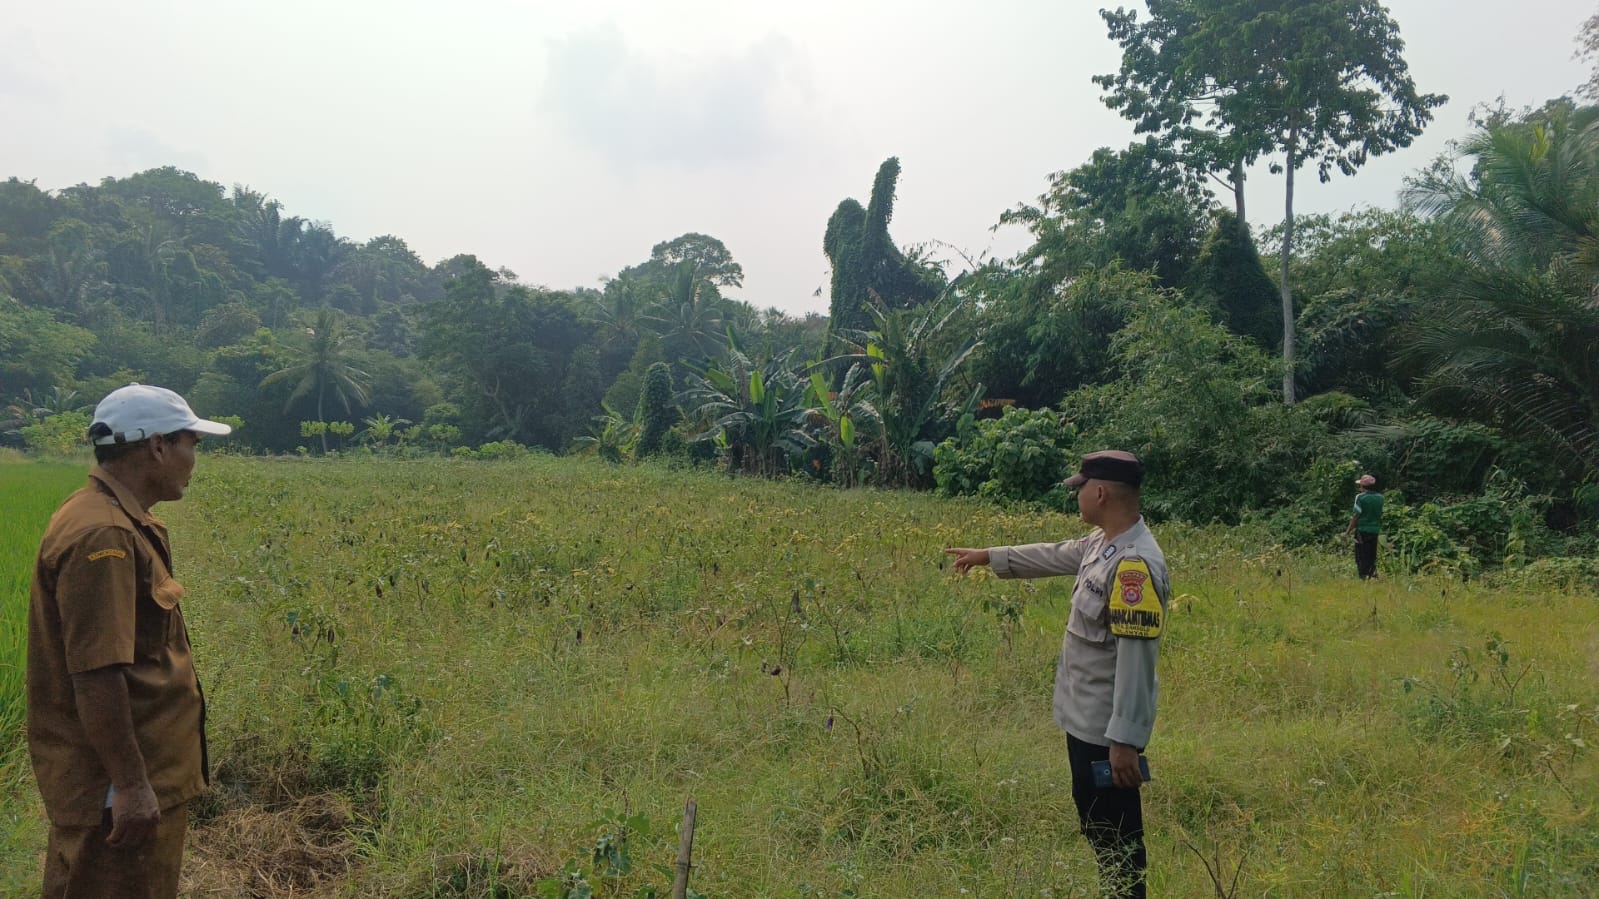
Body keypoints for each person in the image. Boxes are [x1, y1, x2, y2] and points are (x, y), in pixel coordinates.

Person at [27, 383, 231, 898]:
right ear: (158, 446)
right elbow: (97, 674)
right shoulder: (106, 536)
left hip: (128, 779)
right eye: (191, 443)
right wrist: (133, 786)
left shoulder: (111, 516)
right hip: (116, 793)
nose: (194, 459)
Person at [946, 450, 1168, 899]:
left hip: (1106, 732)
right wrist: (990, 556)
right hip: (1083, 720)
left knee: (1119, 838)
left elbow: (1136, 659)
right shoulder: (1104, 542)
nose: (1076, 495)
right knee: (1097, 824)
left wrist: (1124, 740)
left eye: (1080, 488)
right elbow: (1056, 553)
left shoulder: (1134, 566)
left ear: (1100, 493)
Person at [1345, 473, 1384, 579]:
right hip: (1375, 530)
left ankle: (1363, 576)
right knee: (1371, 554)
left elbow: (1356, 516)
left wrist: (1347, 532)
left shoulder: (1360, 497)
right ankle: (1372, 573)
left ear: (1363, 487)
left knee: (1361, 555)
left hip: (1362, 530)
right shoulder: (1380, 498)